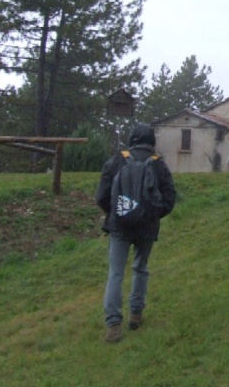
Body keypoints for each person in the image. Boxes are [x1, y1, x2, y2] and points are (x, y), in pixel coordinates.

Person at [95, 122, 176, 343]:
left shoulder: (116, 161)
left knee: (115, 274)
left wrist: (117, 214)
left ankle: (113, 325)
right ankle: (136, 314)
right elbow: (169, 199)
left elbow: (101, 196)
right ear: (152, 141)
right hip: (146, 227)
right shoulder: (159, 165)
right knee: (140, 268)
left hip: (119, 226)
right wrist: (152, 215)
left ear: (132, 139)